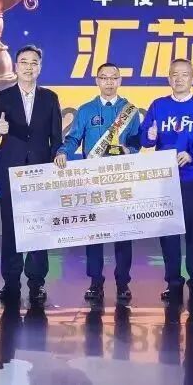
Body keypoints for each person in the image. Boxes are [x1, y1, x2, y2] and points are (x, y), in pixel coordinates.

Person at [54, 62, 141, 303]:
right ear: (97, 81)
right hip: (93, 181)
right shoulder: (85, 110)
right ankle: (95, 282)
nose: (109, 82)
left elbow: (137, 142)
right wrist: (63, 151)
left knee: (123, 233)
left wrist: (130, 149)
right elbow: (73, 139)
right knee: (94, 233)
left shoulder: (130, 111)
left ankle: (123, 283)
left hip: (121, 179)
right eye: (104, 77)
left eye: (114, 77)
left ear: (120, 80)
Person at [0, 45, 63, 304]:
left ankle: (36, 282)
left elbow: (56, 136)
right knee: (11, 228)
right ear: (15, 66)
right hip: (11, 170)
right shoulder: (3, 96)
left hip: (40, 171)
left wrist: (56, 158)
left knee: (39, 227)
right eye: (24, 62)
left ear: (40, 68)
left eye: (34, 62)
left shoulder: (50, 97)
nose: (29, 67)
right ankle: (10, 281)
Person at [140, 59, 193, 302]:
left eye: (185, 75)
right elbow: (145, 140)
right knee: (168, 233)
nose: (179, 79)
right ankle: (173, 281)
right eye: (175, 74)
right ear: (169, 78)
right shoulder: (158, 105)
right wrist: (149, 135)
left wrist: (192, 155)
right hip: (165, 179)